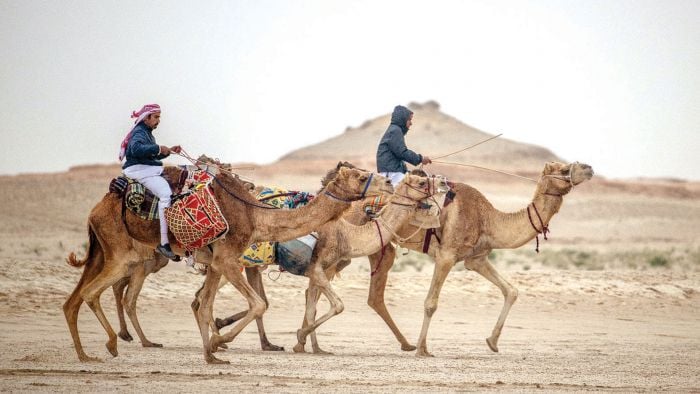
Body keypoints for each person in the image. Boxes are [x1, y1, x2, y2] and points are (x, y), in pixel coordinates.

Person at [119, 103, 181, 260]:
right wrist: (158, 148)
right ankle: (164, 242)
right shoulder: (139, 132)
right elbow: (136, 150)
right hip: (140, 171)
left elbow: (150, 155)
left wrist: (169, 151)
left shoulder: (147, 133)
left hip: (147, 168)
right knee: (166, 194)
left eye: (159, 117)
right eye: (156, 117)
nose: (158, 121)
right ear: (147, 117)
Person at [376, 105, 432, 186]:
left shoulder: (394, 130)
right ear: (403, 119)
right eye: (409, 119)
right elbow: (402, 152)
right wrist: (421, 159)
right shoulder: (395, 131)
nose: (411, 123)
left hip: (392, 171)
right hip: (391, 173)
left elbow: (398, 154)